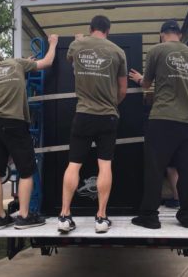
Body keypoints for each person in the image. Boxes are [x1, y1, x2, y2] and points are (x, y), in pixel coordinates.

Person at [129, 19, 188, 229]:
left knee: (154, 168)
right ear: (179, 34)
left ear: (162, 34)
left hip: (162, 119)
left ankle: (149, 216)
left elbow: (146, 84)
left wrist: (139, 79)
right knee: (187, 170)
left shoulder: (157, 51)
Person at [58, 15, 128, 234]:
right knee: (104, 166)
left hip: (83, 114)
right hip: (108, 115)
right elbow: (123, 89)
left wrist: (79, 39)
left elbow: (71, 59)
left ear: (91, 28)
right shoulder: (118, 52)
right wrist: (110, 105)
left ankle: (64, 215)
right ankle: (101, 218)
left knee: (74, 164)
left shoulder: (78, 45)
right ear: (108, 30)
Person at [0, 34, 58, 230]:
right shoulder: (15, 64)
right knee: (26, 171)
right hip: (14, 123)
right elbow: (47, 62)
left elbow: (5, 78)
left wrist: (24, 65)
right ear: (3, 61)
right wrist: (53, 43)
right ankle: (24, 216)